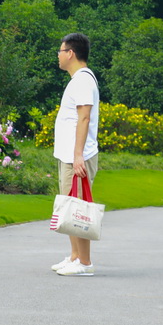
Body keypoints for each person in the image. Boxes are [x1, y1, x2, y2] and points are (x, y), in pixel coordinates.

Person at [52, 32, 101, 277]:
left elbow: (84, 117)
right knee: (69, 207)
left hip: (77, 157)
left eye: (60, 51)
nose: (58, 56)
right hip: (69, 155)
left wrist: (78, 155)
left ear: (70, 53)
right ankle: (75, 256)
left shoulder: (82, 80)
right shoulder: (78, 80)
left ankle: (85, 263)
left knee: (78, 208)